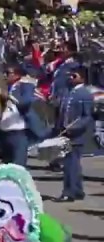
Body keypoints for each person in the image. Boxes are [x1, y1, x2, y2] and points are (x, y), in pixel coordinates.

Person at [55, 65, 92, 203]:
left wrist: (74, 127)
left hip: (76, 135)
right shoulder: (68, 92)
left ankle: (69, 192)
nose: (71, 77)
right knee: (72, 163)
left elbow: (87, 116)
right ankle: (77, 190)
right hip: (65, 132)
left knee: (71, 164)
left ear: (82, 78)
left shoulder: (85, 94)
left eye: (74, 75)